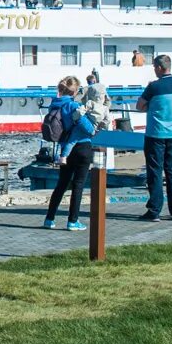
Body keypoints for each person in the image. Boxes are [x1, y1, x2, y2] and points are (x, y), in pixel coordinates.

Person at [136, 55, 172, 221]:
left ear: (159, 67)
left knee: (155, 172)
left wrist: (151, 105)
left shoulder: (154, 87)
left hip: (155, 133)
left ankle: (154, 210)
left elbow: (140, 106)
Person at [43, 77, 98, 230]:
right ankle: (73, 221)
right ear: (74, 91)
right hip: (82, 147)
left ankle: (49, 218)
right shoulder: (74, 106)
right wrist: (93, 128)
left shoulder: (54, 106)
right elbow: (86, 127)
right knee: (78, 185)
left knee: (62, 184)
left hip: (64, 149)